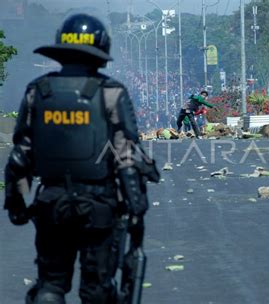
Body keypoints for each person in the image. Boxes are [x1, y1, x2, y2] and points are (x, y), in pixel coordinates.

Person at [3, 14, 159, 303]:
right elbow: (126, 156)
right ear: (101, 51)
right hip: (99, 206)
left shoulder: (38, 91)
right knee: (96, 289)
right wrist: (137, 207)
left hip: (51, 203)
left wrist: (14, 201)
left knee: (50, 286)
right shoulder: (111, 93)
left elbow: (20, 154)